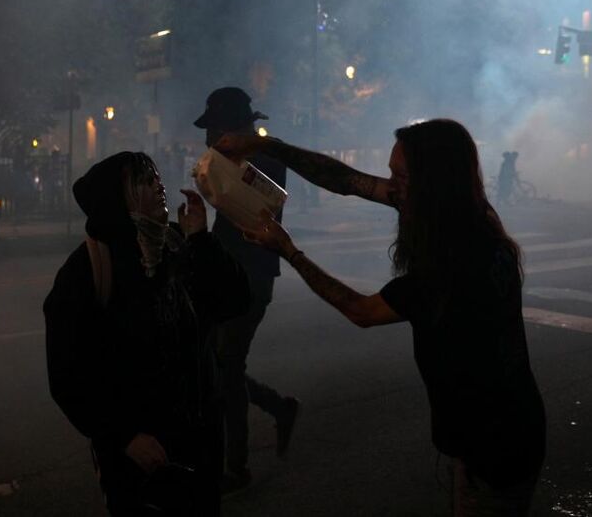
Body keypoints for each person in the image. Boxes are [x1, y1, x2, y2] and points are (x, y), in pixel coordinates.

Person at [217, 119, 546, 516]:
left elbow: (362, 311)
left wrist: (289, 251)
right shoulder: (472, 217)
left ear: (433, 181)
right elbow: (344, 179)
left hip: (495, 444)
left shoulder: (453, 267)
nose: (391, 186)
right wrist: (264, 146)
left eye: (401, 176)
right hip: (503, 430)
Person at [44, 151, 251, 516]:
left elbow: (235, 301)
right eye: (143, 181)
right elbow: (68, 374)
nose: (159, 186)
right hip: (142, 451)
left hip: (199, 436)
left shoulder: (177, 244)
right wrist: (121, 436)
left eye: (157, 177)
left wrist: (202, 239)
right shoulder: (88, 271)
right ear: (116, 199)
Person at [193, 87, 300, 492]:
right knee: (221, 365)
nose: (207, 140)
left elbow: (260, 211)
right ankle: (278, 407)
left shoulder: (265, 160)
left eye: (213, 130)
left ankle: (236, 466)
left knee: (227, 364)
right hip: (225, 272)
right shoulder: (224, 161)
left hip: (252, 276)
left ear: (234, 128)